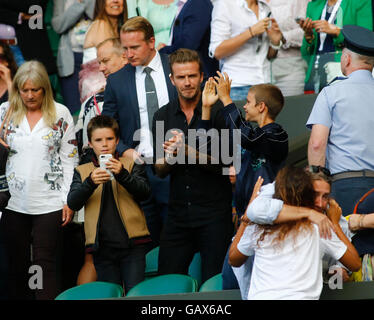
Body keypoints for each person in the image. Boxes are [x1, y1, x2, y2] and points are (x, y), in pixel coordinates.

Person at [152, 48, 233, 283]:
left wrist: (188, 152)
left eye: (192, 76)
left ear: (201, 77)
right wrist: (169, 157)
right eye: (181, 77)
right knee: (166, 284)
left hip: (214, 214)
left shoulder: (219, 111)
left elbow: (227, 162)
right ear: (172, 79)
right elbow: (159, 169)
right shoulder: (162, 116)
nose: (187, 83)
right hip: (178, 215)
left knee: (216, 283)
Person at [0, 60, 78, 300]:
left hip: (50, 201)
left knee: (46, 264)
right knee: (16, 265)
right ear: (18, 89)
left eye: (36, 89)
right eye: (25, 90)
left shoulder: (61, 112)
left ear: (45, 88)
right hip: (12, 201)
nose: (30, 95)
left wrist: (68, 200)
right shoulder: (4, 112)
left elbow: (69, 159)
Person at [206, 73, 288, 290]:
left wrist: (226, 99)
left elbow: (247, 137)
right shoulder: (255, 137)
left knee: (255, 284)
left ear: (261, 107)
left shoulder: (277, 135)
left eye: (249, 102)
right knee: (231, 282)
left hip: (267, 223)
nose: (244, 106)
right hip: (245, 220)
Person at [102, 16, 178, 250]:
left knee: (177, 235)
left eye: (134, 47)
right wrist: (125, 151)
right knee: (147, 237)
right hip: (139, 168)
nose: (128, 54)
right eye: (125, 48)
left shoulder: (175, 67)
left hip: (177, 164)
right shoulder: (116, 80)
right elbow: (108, 124)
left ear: (152, 42)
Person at [229, 166, 361, 300]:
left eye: (325, 196)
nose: (320, 203)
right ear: (302, 193)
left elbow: (234, 259)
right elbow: (355, 264)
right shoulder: (318, 225)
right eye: (314, 194)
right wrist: (333, 223)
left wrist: (247, 219)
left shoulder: (260, 222)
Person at [67, 115, 151, 293]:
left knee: (135, 294)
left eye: (109, 139)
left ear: (117, 141)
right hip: (101, 248)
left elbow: (144, 192)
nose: (104, 144)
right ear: (90, 143)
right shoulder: (82, 171)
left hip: (133, 245)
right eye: (98, 140)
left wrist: (122, 175)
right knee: (109, 294)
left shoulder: (130, 164)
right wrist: (90, 182)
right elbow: (73, 202)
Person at [307, 25, 374, 216]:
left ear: (346, 59)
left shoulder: (331, 92)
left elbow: (317, 144)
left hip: (344, 186)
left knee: (342, 244)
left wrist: (315, 182)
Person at [209, 0, 283, 101]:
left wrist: (275, 43)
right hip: (237, 86)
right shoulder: (224, 4)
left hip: (265, 83)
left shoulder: (265, 8)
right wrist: (250, 32)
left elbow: (269, 56)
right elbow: (217, 51)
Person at [299, 0, 372, 93]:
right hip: (315, 73)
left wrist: (337, 32)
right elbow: (305, 54)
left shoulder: (360, 2)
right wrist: (309, 37)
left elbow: (365, 41)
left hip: (343, 74)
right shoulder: (313, 5)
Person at [76, 37, 127, 159]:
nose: (101, 68)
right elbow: (86, 151)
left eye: (106, 61)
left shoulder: (145, 90)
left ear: (124, 57)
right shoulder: (94, 103)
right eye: (99, 62)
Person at [79, 0, 128, 104]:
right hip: (97, 87)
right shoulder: (101, 24)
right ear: (101, 3)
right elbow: (112, 65)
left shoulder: (117, 28)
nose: (115, 1)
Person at [51, 0, 95, 115]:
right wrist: (79, 5)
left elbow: (97, 16)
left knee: (95, 106)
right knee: (74, 110)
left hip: (95, 57)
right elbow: (58, 26)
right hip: (70, 60)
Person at [158, 0, 219, 81]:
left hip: (199, 79)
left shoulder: (198, 4)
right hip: (191, 76)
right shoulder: (187, 4)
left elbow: (188, 46)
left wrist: (163, 50)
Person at [267, 0, 309, 96]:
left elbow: (309, 31)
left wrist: (283, 37)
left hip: (290, 70)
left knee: (291, 108)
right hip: (257, 72)